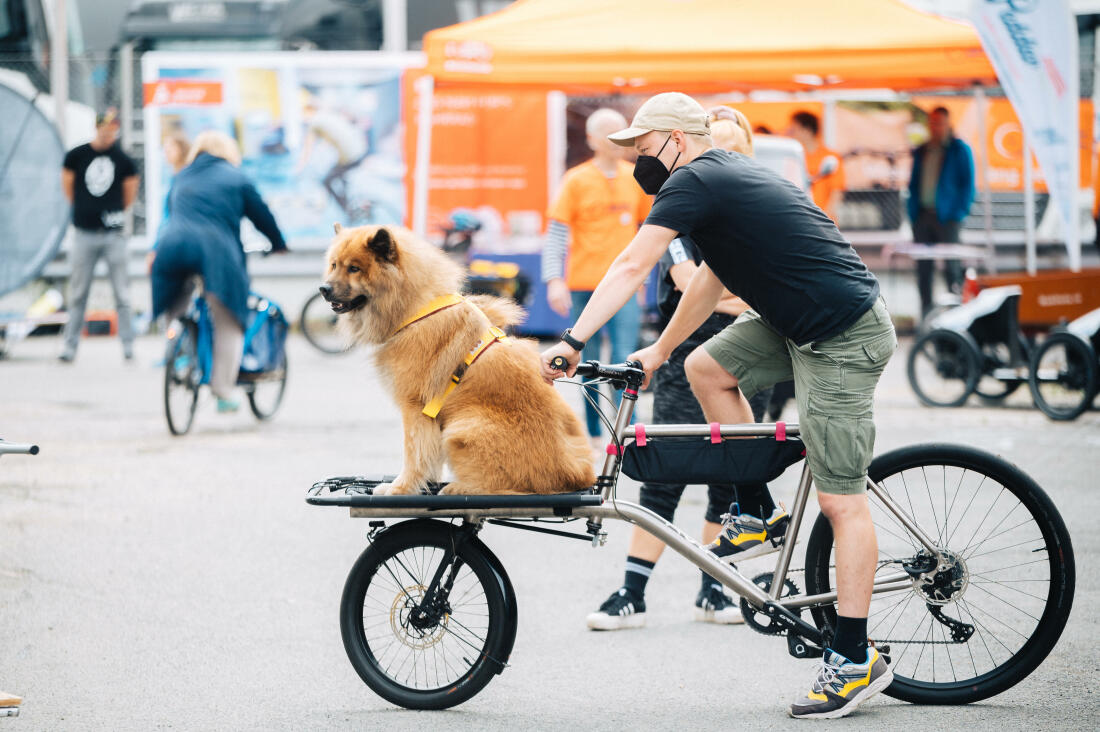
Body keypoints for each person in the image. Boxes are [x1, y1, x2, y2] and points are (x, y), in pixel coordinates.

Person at [541, 92, 896, 719]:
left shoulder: (698, 178)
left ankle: (853, 656)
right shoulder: (720, 180)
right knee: (706, 366)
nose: (639, 163)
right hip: (796, 325)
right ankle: (757, 510)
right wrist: (660, 350)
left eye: (644, 149)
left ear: (676, 139)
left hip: (843, 334)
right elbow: (708, 279)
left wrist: (574, 339)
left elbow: (631, 264)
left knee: (842, 501)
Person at [586, 106, 782, 631]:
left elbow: (736, 289)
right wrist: (736, 296)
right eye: (718, 147)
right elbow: (692, 278)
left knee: (734, 476)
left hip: (750, 355)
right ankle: (632, 592)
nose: (726, 159)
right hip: (680, 354)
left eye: (736, 150)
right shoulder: (679, 208)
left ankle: (714, 590)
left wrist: (736, 298)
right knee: (665, 472)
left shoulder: (751, 206)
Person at [150, 131, 288, 413]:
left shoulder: (182, 176)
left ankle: (180, 346)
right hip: (216, 251)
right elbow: (262, 215)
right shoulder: (236, 177)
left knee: (176, 302)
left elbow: (169, 215)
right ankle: (223, 390)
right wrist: (278, 244)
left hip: (172, 247)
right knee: (229, 319)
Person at [541, 108, 652, 444]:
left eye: (620, 131)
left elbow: (645, 232)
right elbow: (557, 233)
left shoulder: (635, 177)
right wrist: (553, 279)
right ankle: (591, 432)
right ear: (591, 139)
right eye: (607, 132)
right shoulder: (576, 179)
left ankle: (621, 431)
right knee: (583, 361)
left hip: (624, 287)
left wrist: (644, 280)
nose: (615, 139)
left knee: (625, 357)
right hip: (584, 284)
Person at [58, 108, 139, 363]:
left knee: (122, 293)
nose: (108, 134)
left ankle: (128, 345)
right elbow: (68, 188)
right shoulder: (77, 155)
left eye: (112, 129)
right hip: (84, 233)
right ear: (97, 128)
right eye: (105, 128)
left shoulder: (123, 160)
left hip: (113, 233)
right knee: (79, 292)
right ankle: (70, 346)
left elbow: (129, 195)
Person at [907, 106, 976, 318]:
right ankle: (926, 316)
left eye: (939, 122)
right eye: (932, 122)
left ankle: (956, 316)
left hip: (948, 218)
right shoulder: (923, 150)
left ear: (948, 124)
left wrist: (958, 212)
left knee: (951, 268)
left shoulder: (959, 149)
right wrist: (913, 213)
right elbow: (914, 184)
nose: (936, 127)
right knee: (923, 270)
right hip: (923, 216)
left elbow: (968, 185)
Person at [296, 98, 370, 217]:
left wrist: (300, 167)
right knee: (338, 176)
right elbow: (331, 138)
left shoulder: (315, 122)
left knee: (327, 180)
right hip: (360, 150)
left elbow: (307, 149)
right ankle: (350, 203)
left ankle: (347, 209)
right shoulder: (328, 115)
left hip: (350, 156)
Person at [788, 110, 846, 222]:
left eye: (794, 130)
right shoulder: (793, 158)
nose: (791, 134)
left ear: (807, 130)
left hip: (823, 222)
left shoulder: (830, 157)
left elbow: (837, 191)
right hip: (798, 221)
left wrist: (825, 219)